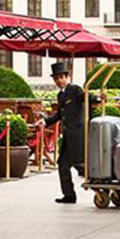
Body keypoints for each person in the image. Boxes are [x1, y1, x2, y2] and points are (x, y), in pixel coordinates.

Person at [43, 61, 86, 203]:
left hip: (78, 136)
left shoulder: (75, 89)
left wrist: (98, 99)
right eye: (56, 78)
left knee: (81, 166)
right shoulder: (60, 96)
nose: (59, 80)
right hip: (68, 137)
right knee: (63, 164)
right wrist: (45, 122)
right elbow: (59, 115)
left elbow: (85, 97)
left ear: (66, 77)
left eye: (61, 77)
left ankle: (102, 187)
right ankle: (69, 195)